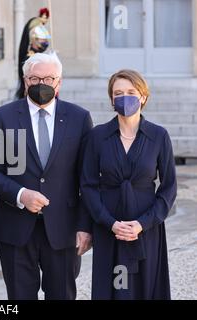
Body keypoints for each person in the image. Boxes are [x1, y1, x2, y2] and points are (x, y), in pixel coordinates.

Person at [0, 52, 93, 300]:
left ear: (59, 82)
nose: (41, 84)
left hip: (64, 230)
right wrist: (21, 195)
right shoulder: (4, 116)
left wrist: (85, 226)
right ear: (25, 81)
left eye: (49, 78)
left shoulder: (79, 118)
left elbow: (88, 179)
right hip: (15, 229)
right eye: (34, 78)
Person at [80, 69, 177, 299]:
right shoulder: (97, 136)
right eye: (119, 93)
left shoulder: (159, 136)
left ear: (143, 96)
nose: (125, 97)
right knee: (114, 287)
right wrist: (110, 223)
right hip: (108, 229)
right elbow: (88, 185)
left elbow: (169, 187)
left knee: (146, 287)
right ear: (112, 99)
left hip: (146, 229)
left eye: (131, 92)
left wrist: (142, 224)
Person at [15, 8, 51, 100]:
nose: (44, 41)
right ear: (34, 39)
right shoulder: (29, 58)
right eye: (41, 39)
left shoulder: (41, 56)